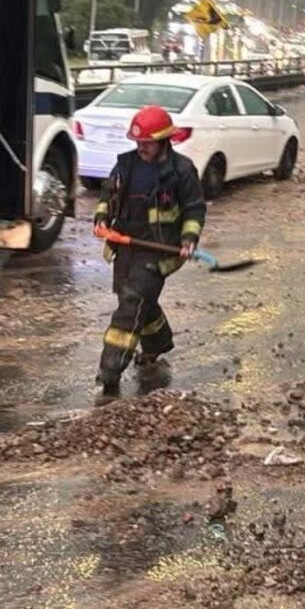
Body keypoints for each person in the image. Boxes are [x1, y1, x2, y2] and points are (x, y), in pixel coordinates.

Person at [93, 105, 206, 396]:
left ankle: (109, 372)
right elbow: (108, 193)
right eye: (138, 142)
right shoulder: (127, 164)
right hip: (125, 243)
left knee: (131, 304)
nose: (141, 148)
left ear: (164, 140)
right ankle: (158, 343)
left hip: (157, 248)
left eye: (147, 143)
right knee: (137, 300)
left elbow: (194, 208)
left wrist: (189, 237)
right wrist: (101, 219)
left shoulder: (180, 171)